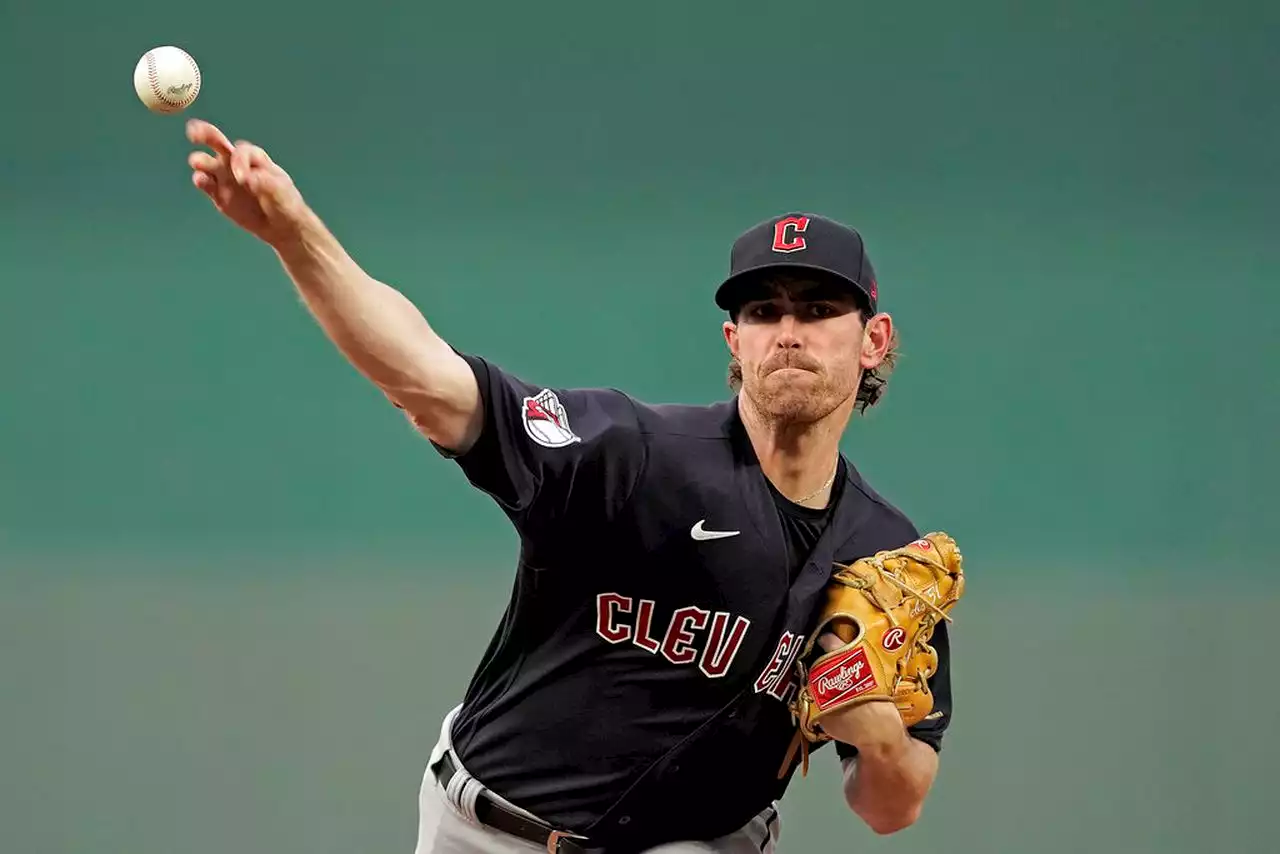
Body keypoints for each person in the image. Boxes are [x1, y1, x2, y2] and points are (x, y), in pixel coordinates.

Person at [184, 118, 954, 853]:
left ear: (874, 340)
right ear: (734, 340)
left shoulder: (885, 555)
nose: (788, 332)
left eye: (818, 310)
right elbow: (428, 379)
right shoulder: (633, 455)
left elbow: (894, 808)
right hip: (490, 830)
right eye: (763, 311)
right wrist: (295, 235)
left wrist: (877, 729)